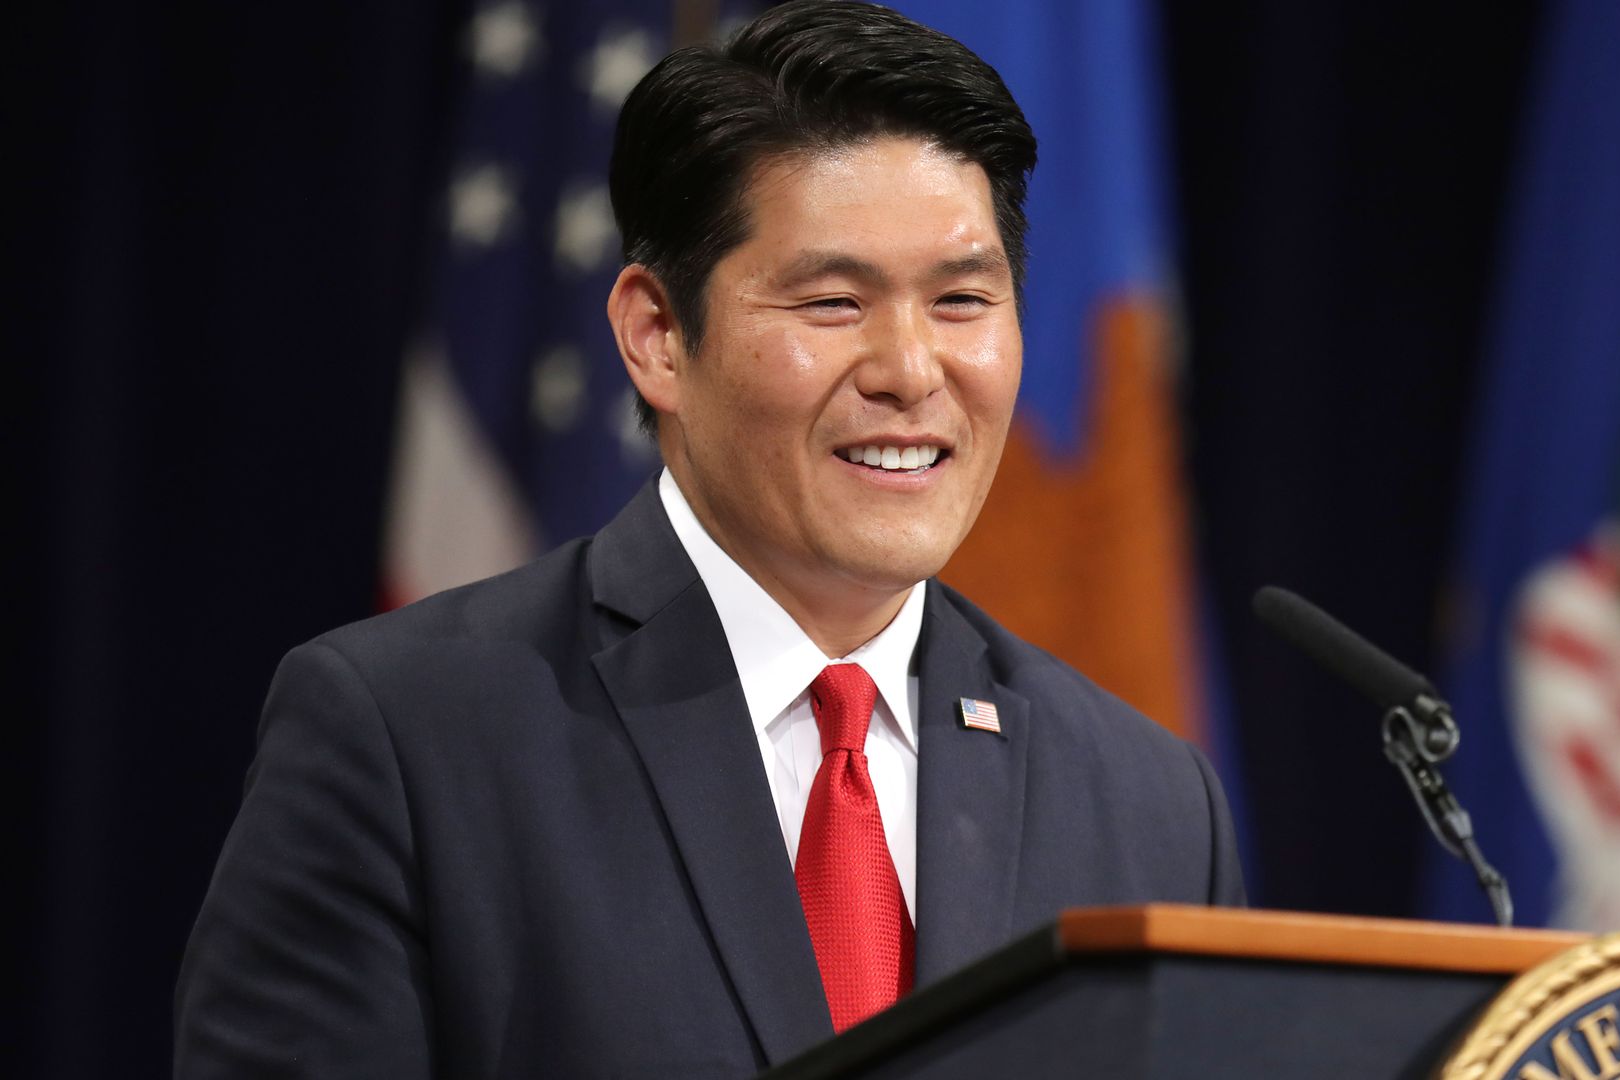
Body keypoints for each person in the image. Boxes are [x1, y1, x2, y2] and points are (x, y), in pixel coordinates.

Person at [174, 3, 1243, 1075]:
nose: (912, 371)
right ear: (657, 337)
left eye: (963, 300)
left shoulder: (1147, 802)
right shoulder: (407, 741)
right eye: (832, 302)